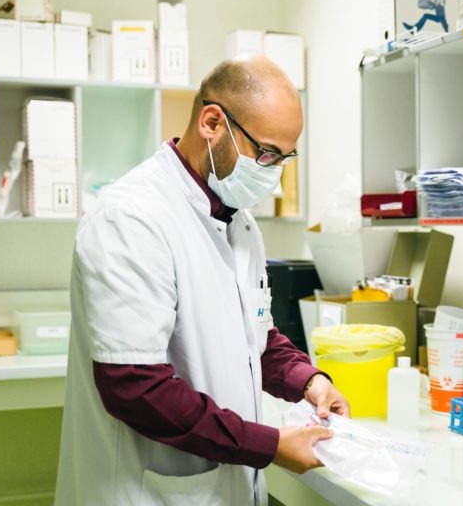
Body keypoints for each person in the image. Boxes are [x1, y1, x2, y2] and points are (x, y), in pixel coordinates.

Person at [55, 55, 350, 505]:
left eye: (284, 158)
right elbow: (135, 386)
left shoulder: (239, 222)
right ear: (212, 122)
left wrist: (308, 381)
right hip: (146, 490)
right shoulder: (131, 217)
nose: (273, 172)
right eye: (266, 153)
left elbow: (258, 336)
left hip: (225, 486)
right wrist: (267, 445)